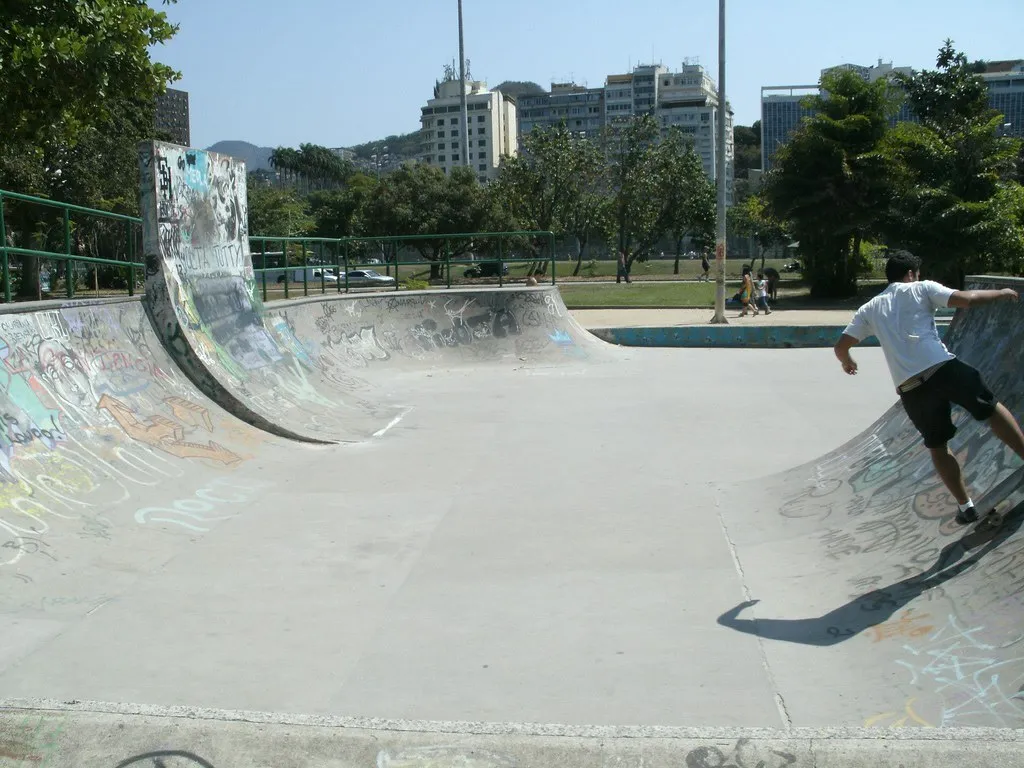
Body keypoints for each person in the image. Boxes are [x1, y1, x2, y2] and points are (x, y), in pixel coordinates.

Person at [833, 250, 1024, 524]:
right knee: (990, 408)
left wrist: (847, 362)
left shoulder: (870, 308)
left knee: (937, 445)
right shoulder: (921, 288)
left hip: (911, 388)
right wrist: (1002, 293)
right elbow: (966, 299)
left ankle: (965, 505)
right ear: (911, 273)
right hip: (941, 368)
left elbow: (841, 346)